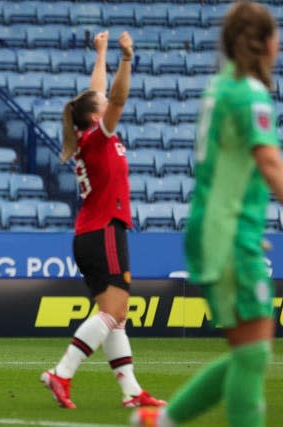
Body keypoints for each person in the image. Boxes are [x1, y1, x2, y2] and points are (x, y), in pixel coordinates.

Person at [132, 3, 281, 426]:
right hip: (229, 231)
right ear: (268, 42)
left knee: (248, 353)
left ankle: (160, 420)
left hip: (219, 226)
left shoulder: (220, 86)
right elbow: (269, 162)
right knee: (253, 355)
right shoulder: (249, 92)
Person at [40, 30, 165, 409]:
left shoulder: (86, 136)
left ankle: (130, 391)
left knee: (117, 317)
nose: (107, 99)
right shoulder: (100, 136)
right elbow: (117, 96)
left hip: (90, 234)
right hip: (105, 230)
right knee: (113, 313)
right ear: (97, 114)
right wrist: (126, 58)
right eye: (102, 103)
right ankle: (61, 373)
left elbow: (95, 92)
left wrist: (102, 53)